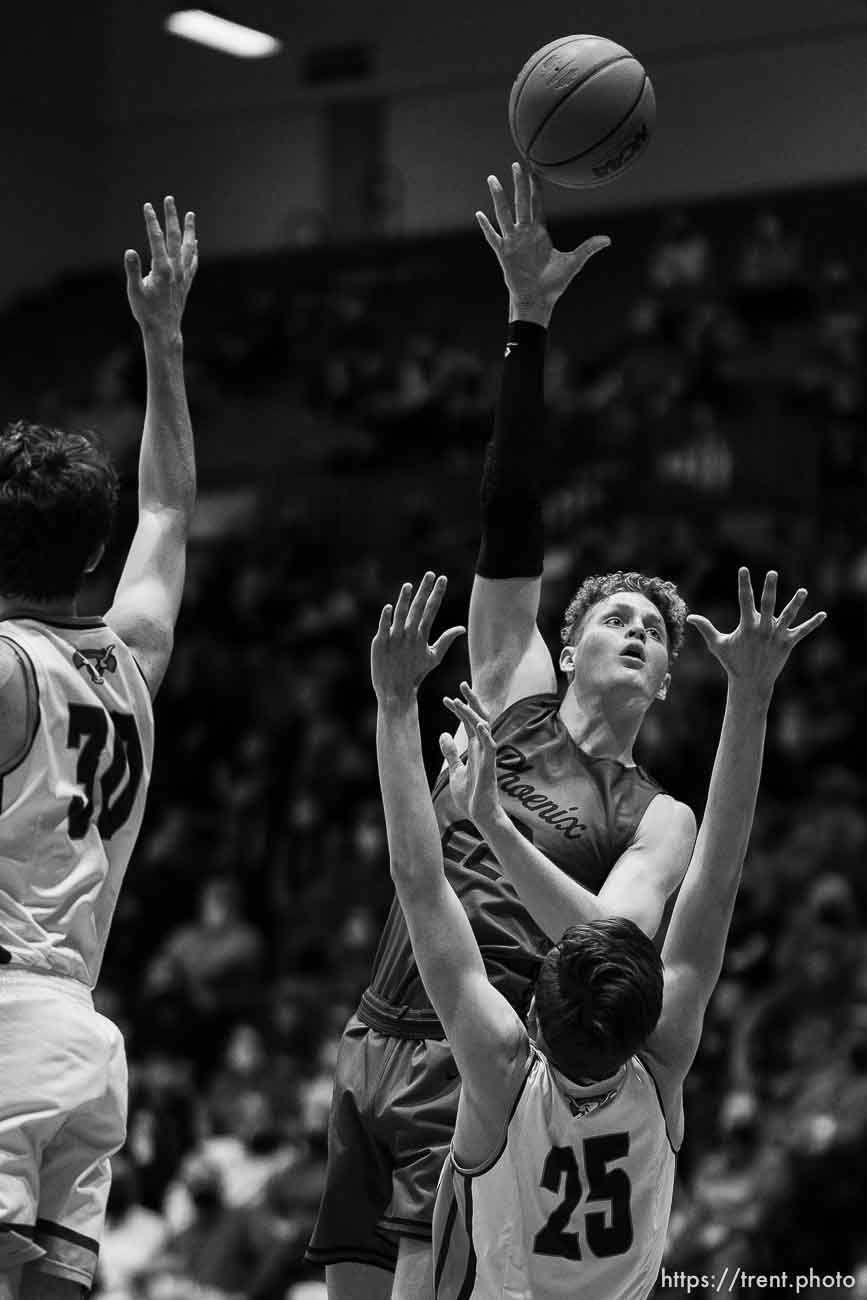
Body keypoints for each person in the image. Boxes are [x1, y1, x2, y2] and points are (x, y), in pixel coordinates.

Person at [307, 164, 697, 1300]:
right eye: (615, 614)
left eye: (654, 631)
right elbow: (511, 515)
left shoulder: (656, 815)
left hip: (484, 1057)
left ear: (669, 679)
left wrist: (490, 824)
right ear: (566, 647)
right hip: (378, 1023)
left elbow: (615, 942)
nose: (636, 629)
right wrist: (527, 325)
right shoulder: (512, 688)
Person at [370, 568, 824, 1299]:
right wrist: (752, 695)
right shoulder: (645, 1060)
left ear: (533, 1018)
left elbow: (418, 880)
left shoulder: (503, 1071)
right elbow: (720, 876)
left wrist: (396, 706)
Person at [0, 196, 198, 1300]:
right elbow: (168, 509)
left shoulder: (8, 668)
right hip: (78, 1035)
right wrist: (161, 340)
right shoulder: (131, 655)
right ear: (90, 551)